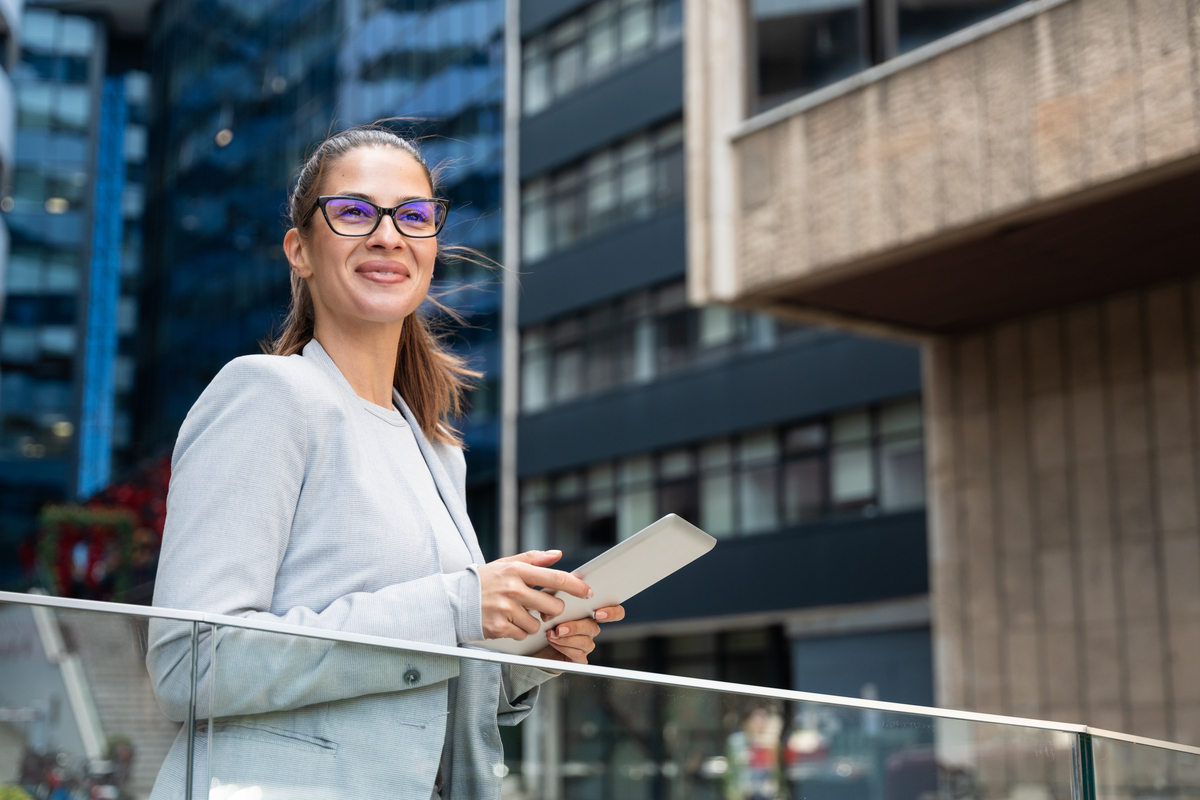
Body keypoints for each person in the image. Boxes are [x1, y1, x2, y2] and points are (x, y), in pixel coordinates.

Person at [145, 126, 624, 800]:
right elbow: (191, 665)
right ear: (300, 250)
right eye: (353, 212)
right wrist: (457, 607)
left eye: (414, 215)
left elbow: (409, 692)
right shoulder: (268, 394)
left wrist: (519, 658)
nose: (388, 234)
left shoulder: (435, 448)